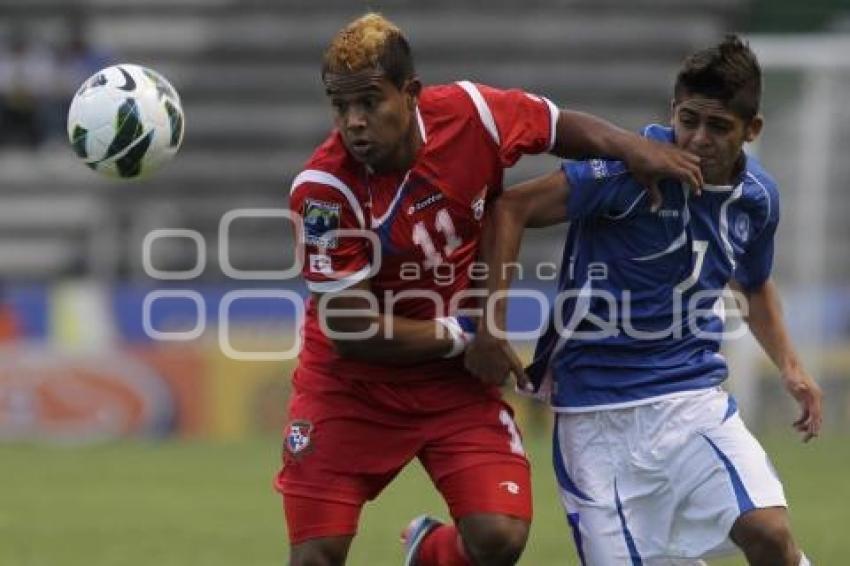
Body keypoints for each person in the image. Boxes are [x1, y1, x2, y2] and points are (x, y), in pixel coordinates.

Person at [278, 13, 702, 566]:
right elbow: (351, 329)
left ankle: (428, 552)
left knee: (499, 537)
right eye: (341, 107)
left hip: (451, 380)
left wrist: (628, 146)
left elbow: (556, 125)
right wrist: (468, 334)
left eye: (369, 102)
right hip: (351, 387)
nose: (354, 123)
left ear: (411, 95)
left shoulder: (472, 115)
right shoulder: (323, 190)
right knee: (316, 557)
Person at [466, 36, 822, 565]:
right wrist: (490, 328)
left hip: (691, 400)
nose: (697, 139)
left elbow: (752, 282)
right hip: (595, 415)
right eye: (688, 119)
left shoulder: (758, 198)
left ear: (753, 130)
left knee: (770, 534)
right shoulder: (628, 170)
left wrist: (791, 367)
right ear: (673, 111)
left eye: (718, 126)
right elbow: (510, 209)